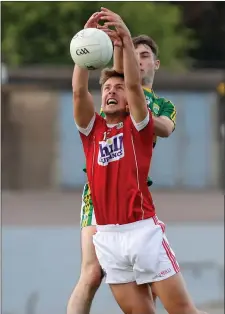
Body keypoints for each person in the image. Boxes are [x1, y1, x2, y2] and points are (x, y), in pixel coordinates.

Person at [70, 8, 208, 314]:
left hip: (141, 231)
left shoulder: (139, 125)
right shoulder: (93, 130)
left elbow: (135, 87)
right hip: (108, 236)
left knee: (182, 310)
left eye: (118, 88)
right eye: (106, 87)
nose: (111, 91)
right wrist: (84, 42)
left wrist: (125, 37)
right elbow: (79, 90)